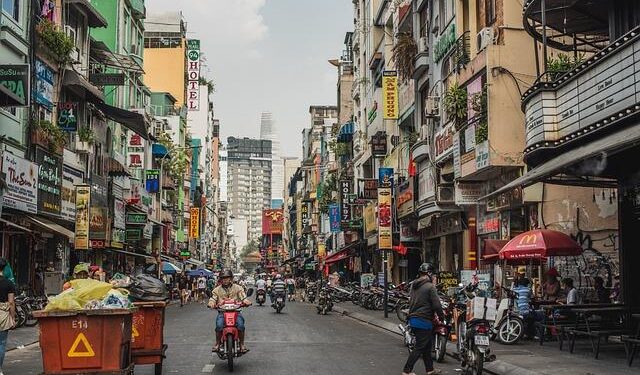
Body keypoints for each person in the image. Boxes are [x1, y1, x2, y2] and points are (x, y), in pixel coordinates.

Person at [402, 263, 443, 375]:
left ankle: (430, 370)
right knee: (420, 347)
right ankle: (406, 371)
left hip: (414, 319)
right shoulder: (430, 287)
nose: (434, 277)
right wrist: (441, 317)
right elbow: (437, 305)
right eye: (433, 275)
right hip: (423, 320)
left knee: (427, 346)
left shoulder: (414, 285)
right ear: (429, 274)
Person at [209, 270, 251, 353]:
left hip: (236, 312)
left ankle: (242, 344)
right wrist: (211, 303)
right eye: (223, 278)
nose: (225, 280)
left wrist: (246, 301)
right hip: (222, 312)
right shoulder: (216, 290)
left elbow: (243, 297)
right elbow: (213, 298)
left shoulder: (238, 288)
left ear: (231, 278)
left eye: (227, 278)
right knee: (219, 326)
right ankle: (217, 344)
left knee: (241, 325)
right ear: (220, 279)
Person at [0, 258, 16, 375]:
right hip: (3, 315)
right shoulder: (8, 283)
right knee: (1, 343)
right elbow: (11, 303)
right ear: (4, 268)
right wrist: (13, 318)